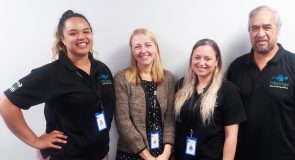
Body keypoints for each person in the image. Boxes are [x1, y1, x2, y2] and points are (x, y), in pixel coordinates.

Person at [0, 10, 115, 160]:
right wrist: (34, 140)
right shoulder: (51, 73)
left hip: (100, 155)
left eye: (86, 31)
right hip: (65, 156)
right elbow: (6, 103)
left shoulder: (102, 69)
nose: (81, 37)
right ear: (62, 38)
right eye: (73, 33)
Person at [226, 5, 295, 160]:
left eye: (267, 27)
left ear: (278, 30)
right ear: (249, 31)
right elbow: (228, 117)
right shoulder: (236, 67)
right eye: (254, 28)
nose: (260, 34)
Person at [174, 38, 246, 160]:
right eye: (197, 57)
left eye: (207, 59)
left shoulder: (229, 91)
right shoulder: (181, 85)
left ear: (216, 61)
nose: (201, 63)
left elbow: (231, 137)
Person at [114, 28, 175, 160]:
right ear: (132, 51)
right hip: (132, 154)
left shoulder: (168, 78)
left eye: (148, 45)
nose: (143, 51)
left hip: (163, 155)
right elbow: (122, 121)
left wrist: (166, 152)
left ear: (156, 48)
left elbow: (170, 118)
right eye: (137, 46)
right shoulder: (122, 78)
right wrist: (146, 156)